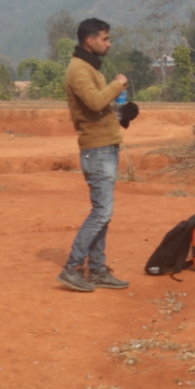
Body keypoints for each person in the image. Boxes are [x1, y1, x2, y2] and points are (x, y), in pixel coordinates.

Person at [57, 18, 131, 292]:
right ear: (90, 41)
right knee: (101, 212)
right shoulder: (79, 70)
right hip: (97, 150)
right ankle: (73, 266)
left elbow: (99, 109)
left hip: (104, 146)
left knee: (104, 212)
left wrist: (123, 115)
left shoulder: (89, 67)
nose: (109, 44)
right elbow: (95, 101)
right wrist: (118, 84)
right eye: (105, 38)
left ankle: (97, 269)